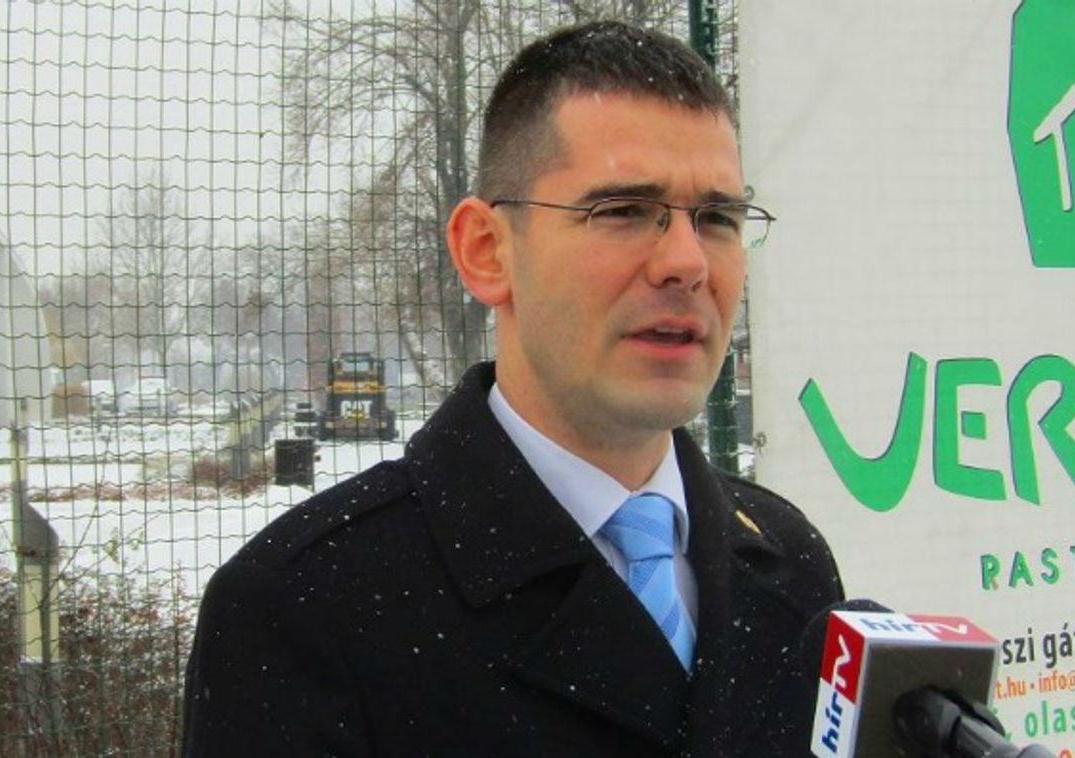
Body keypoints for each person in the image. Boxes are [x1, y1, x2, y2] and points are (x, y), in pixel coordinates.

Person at [183, 19, 843, 757]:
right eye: (624, 211)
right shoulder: (309, 608)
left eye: (717, 218)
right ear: (487, 251)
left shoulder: (789, 563)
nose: (687, 262)